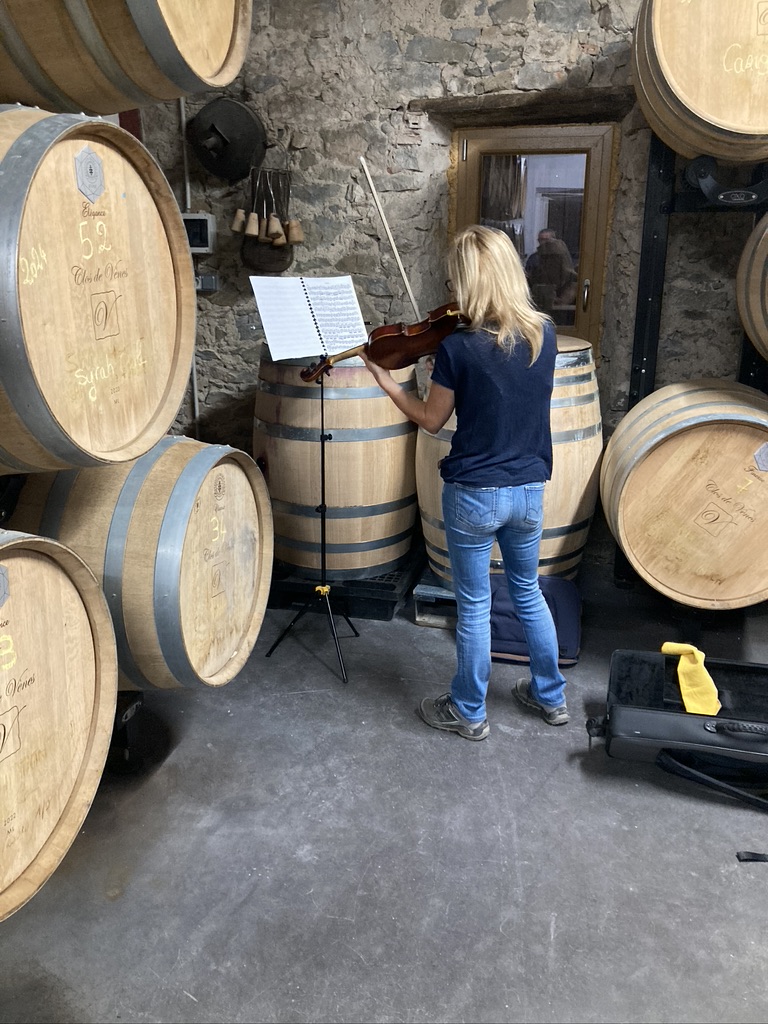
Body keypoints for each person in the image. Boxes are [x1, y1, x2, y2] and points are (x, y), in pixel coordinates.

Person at [361, 224, 568, 741]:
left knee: (474, 605)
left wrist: (388, 382)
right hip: (528, 489)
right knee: (528, 591)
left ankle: (469, 711)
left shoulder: (459, 348)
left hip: (475, 492)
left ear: (472, 280)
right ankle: (551, 697)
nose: (451, 291)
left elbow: (431, 420)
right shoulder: (544, 334)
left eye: (456, 280)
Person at [525, 228, 577, 308]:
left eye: (552, 258)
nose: (547, 262)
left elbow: (563, 304)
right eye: (544, 258)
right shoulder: (536, 276)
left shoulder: (572, 280)